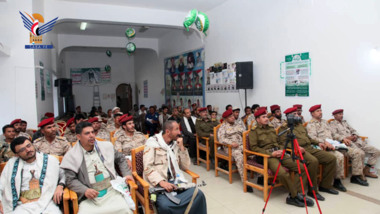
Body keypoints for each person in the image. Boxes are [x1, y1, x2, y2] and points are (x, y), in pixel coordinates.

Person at [60, 122, 134, 214]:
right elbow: (70, 180)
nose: (91, 136)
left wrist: (127, 174)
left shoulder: (106, 146)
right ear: (79, 136)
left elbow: (121, 159)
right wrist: (85, 190)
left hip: (111, 191)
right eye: (87, 133)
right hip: (90, 196)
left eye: (92, 132)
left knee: (124, 210)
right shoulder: (71, 155)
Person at [249, 108, 313, 207]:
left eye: (267, 116)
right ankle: (295, 195)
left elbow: (279, 142)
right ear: (258, 119)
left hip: (279, 153)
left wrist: (282, 150)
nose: (267, 119)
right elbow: (254, 148)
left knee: (301, 167)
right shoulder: (254, 131)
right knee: (283, 173)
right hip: (267, 157)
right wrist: (271, 154)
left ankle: (297, 195)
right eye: (264, 117)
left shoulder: (271, 128)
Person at [143, 120, 207, 214]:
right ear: (168, 132)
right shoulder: (152, 143)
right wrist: (162, 182)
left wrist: (182, 147)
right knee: (166, 206)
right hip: (159, 185)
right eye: (176, 129)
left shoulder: (175, 143)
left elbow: (185, 166)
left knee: (199, 195)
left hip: (176, 182)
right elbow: (147, 168)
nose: (179, 132)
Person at [279, 107, 338, 200]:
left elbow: (308, 138)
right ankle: (313, 191)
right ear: (289, 116)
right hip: (299, 151)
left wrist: (318, 143)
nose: (298, 116)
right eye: (295, 114)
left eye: (298, 114)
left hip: (309, 147)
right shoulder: (284, 128)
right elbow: (283, 143)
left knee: (331, 158)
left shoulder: (300, 125)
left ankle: (325, 185)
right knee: (313, 161)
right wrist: (296, 147)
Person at [306, 105, 367, 191]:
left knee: (358, 152)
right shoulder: (311, 124)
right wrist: (324, 142)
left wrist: (343, 138)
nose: (320, 112)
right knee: (339, 156)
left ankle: (356, 177)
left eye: (321, 110)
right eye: (318, 111)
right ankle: (337, 181)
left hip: (335, 144)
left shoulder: (325, 122)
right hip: (324, 147)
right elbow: (312, 138)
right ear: (312, 114)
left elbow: (333, 134)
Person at [0, 137, 65, 213]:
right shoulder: (11, 165)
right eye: (22, 150)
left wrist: (60, 185)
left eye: (28, 146)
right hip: (22, 205)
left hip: (46, 202)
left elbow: (63, 174)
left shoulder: (50, 160)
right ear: (16, 155)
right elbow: (1, 184)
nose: (28, 150)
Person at [329, 109, 380, 178]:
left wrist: (355, 135)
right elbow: (334, 135)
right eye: (340, 114)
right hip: (349, 143)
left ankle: (366, 170)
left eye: (342, 114)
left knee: (376, 151)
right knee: (361, 153)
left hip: (358, 142)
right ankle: (359, 174)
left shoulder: (344, 123)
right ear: (334, 116)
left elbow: (354, 130)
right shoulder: (332, 124)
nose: (342, 115)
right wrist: (345, 138)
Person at [218, 110, 253, 192]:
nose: (233, 117)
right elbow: (221, 139)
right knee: (239, 156)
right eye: (230, 117)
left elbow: (245, 133)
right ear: (226, 118)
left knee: (253, 154)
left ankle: (261, 177)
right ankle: (245, 181)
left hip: (242, 145)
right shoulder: (223, 127)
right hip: (231, 147)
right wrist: (231, 143)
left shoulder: (238, 124)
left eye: (233, 116)